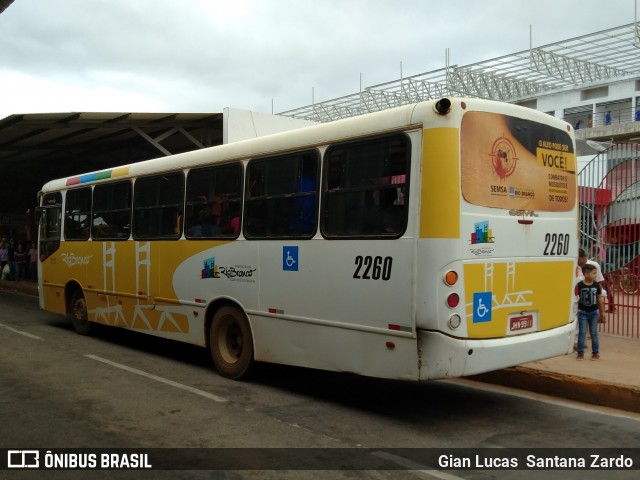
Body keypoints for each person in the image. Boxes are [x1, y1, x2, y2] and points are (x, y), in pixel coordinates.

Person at [575, 263, 604, 360]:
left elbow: (600, 299)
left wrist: (602, 312)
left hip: (594, 313)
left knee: (594, 333)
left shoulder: (596, 285)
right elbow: (575, 298)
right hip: (582, 312)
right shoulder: (579, 285)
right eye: (594, 273)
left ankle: (595, 353)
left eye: (596, 273)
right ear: (586, 274)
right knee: (582, 333)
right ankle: (580, 353)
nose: (596, 275)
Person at [578, 248, 610, 316]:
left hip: (592, 300)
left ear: (584, 257)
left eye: (579, 259)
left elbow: (599, 282)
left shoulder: (594, 265)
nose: (578, 261)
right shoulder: (574, 265)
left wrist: (602, 311)